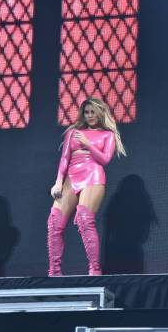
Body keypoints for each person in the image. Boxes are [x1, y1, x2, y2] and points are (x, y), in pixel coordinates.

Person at [48, 98, 126, 276]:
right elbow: (64, 158)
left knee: (84, 219)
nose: (89, 116)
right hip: (72, 176)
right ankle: (54, 272)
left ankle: (94, 270)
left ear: (100, 113)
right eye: (86, 112)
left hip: (93, 174)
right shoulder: (73, 133)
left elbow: (105, 159)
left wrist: (88, 143)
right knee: (55, 222)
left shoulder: (108, 135)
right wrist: (58, 182)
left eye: (92, 112)